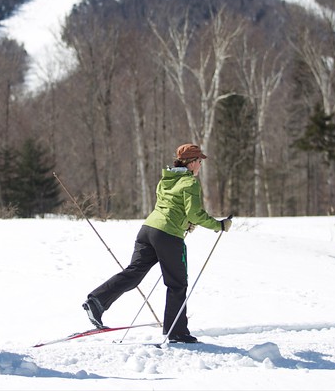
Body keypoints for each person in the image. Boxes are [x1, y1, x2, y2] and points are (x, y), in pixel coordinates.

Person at [82, 143, 231, 344]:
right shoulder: (190, 183)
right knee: (177, 284)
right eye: (199, 161)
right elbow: (194, 213)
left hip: (148, 230)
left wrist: (186, 223)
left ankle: (97, 301)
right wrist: (218, 225)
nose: (200, 165)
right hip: (168, 236)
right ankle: (176, 332)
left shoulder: (166, 180)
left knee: (134, 272)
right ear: (192, 162)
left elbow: (170, 206)